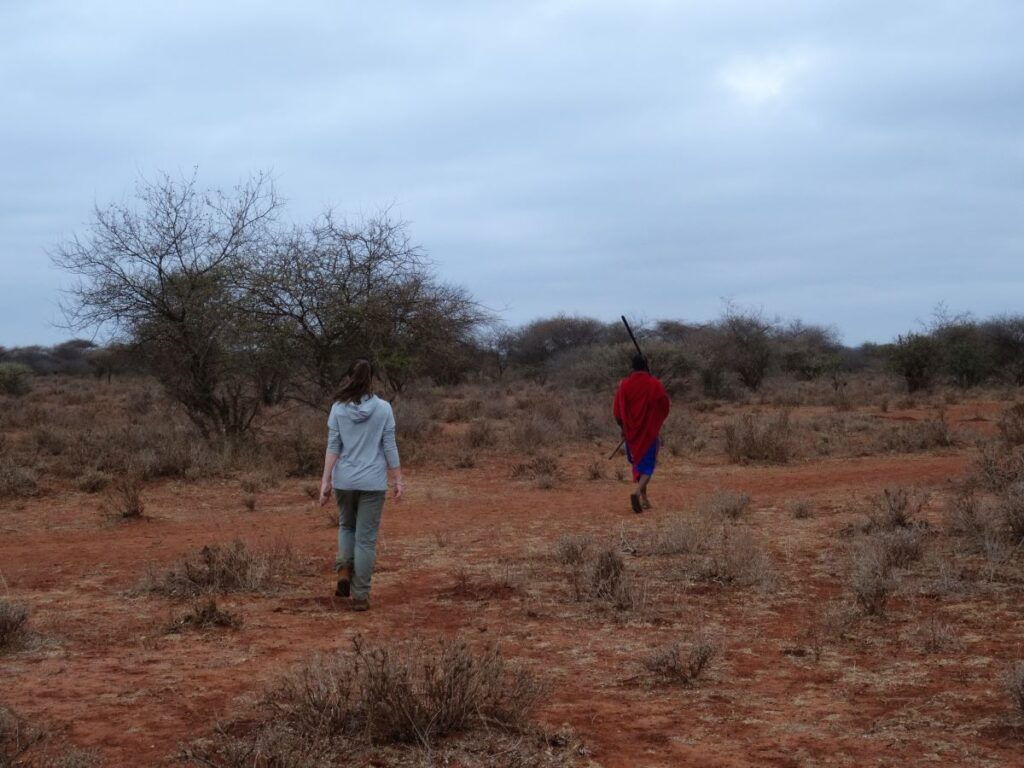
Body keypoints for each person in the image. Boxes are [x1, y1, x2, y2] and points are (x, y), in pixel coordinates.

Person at [319, 359, 402, 611]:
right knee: (365, 540)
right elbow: (389, 446)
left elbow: (333, 446)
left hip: (345, 480)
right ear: (372, 379)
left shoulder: (338, 408)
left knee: (346, 526)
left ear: (350, 377)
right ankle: (361, 595)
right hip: (373, 481)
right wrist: (398, 478)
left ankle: (344, 568)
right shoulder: (384, 408)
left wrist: (326, 479)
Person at [613, 353, 670, 514]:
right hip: (648, 433)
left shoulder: (624, 385)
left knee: (639, 464)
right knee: (648, 467)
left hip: (631, 435)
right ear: (646, 366)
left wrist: (623, 429)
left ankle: (645, 499)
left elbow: (617, 411)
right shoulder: (654, 384)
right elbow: (664, 404)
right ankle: (637, 492)